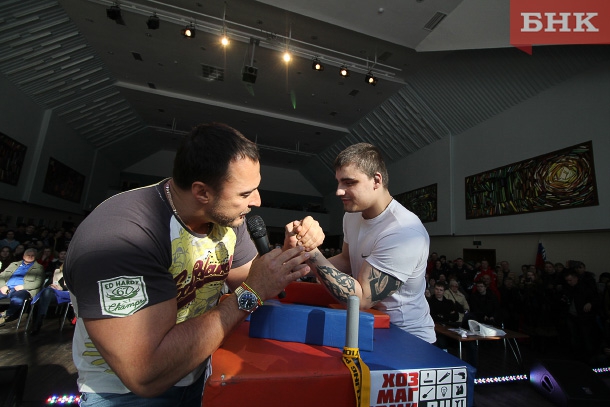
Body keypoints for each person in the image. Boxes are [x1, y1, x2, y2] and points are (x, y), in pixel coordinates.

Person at [63, 123, 324, 406]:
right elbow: (146, 375)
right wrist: (250, 294)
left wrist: (287, 254)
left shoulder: (225, 219)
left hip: (199, 372)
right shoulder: (119, 238)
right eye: (244, 194)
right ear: (202, 192)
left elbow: (254, 278)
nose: (257, 201)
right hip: (125, 395)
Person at [301, 143, 435, 343]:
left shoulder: (404, 231)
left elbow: (362, 298)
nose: (339, 191)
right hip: (368, 325)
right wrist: (302, 268)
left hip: (407, 337)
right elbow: (347, 260)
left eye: (349, 183)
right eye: (339, 182)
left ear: (376, 180)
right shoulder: (352, 215)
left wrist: (311, 252)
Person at [0, 248, 45, 326]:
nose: (30, 257)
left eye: (32, 255)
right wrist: (3, 286)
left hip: (22, 290)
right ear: (24, 256)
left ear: (35, 257)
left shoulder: (39, 268)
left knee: (17, 300)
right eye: (28, 255)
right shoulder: (13, 264)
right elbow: (1, 276)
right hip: (6, 288)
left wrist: (24, 286)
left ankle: (4, 315)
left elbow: (38, 282)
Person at [30, 264, 71, 335]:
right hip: (56, 293)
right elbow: (55, 282)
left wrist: (62, 288)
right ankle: (40, 318)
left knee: (45, 294)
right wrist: (55, 286)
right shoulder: (58, 271)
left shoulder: (76, 272)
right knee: (47, 291)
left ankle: (39, 319)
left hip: (68, 294)